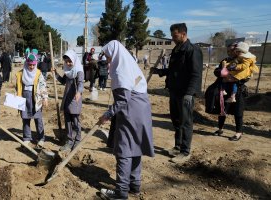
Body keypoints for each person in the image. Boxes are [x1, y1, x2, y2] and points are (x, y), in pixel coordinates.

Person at [98, 40, 155, 200]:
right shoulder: (130, 65)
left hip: (132, 112)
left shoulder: (121, 70)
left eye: (108, 56)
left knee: (124, 151)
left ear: (114, 54)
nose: (108, 60)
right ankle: (134, 186)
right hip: (142, 110)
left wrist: (107, 115)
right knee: (136, 148)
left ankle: (121, 193)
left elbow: (123, 100)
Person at [152, 23, 203, 163]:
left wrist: (190, 93)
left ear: (183, 34)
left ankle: (185, 151)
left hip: (185, 93)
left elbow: (196, 74)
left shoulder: (192, 50)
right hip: (174, 91)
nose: (173, 38)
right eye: (172, 36)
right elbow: (174, 70)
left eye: (175, 36)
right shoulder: (177, 49)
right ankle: (177, 146)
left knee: (186, 122)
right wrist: (160, 72)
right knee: (176, 120)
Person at [213, 42, 251, 141]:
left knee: (238, 112)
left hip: (238, 90)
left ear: (237, 50)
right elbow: (216, 71)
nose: (229, 52)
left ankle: (238, 133)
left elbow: (247, 76)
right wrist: (222, 74)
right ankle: (220, 129)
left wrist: (235, 79)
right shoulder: (225, 60)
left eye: (232, 50)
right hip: (225, 89)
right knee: (222, 110)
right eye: (228, 51)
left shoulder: (243, 60)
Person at [52, 49, 84, 152]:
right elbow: (62, 81)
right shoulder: (67, 71)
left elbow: (80, 83)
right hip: (67, 99)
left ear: (74, 60)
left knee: (75, 121)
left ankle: (77, 140)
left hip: (75, 99)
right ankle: (69, 140)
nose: (68, 63)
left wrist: (79, 92)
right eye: (66, 61)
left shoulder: (78, 70)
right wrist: (56, 74)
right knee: (68, 121)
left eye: (70, 61)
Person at [15, 54, 49, 148]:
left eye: (33, 65)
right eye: (30, 65)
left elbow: (42, 85)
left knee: (38, 119)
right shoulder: (20, 73)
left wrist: (45, 97)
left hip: (36, 98)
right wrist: (16, 97)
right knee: (25, 118)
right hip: (24, 98)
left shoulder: (38, 73)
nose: (32, 67)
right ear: (27, 63)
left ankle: (41, 138)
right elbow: (18, 87)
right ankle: (26, 138)